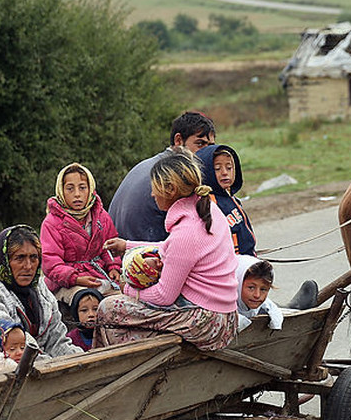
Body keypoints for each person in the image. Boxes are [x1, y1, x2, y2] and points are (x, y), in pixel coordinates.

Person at [97, 150, 238, 351]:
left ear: (170, 190)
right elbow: (173, 249)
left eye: (154, 188)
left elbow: (164, 296)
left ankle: (123, 370)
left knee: (109, 309)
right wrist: (126, 245)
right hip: (223, 314)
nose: (152, 194)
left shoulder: (186, 231)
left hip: (207, 322)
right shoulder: (206, 210)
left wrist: (126, 289)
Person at [0, 225, 83, 358]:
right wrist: (50, 365)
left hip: (39, 364)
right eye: (19, 258)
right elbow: (6, 351)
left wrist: (79, 359)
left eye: (33, 258)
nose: (28, 266)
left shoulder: (39, 288)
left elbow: (57, 341)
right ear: (4, 261)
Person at [108, 111, 216, 242]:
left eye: (210, 146)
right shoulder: (176, 174)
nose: (206, 152)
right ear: (178, 140)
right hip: (140, 253)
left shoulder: (149, 164)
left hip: (120, 248)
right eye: (200, 144)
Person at [39, 162, 121, 307]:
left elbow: (110, 247)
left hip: (97, 275)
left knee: (124, 295)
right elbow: (51, 262)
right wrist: (75, 278)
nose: (77, 194)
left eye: (82, 188)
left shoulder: (102, 217)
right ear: (61, 191)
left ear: (90, 189)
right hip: (66, 283)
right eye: (70, 189)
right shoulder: (52, 223)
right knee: (87, 300)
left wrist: (113, 267)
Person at [197, 144, 255, 255]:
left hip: (247, 259)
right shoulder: (208, 203)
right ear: (205, 172)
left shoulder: (231, 197)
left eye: (229, 168)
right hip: (230, 264)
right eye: (217, 169)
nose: (224, 172)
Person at [234, 256, 283, 331]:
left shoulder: (264, 305)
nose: (257, 295)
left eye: (263, 289)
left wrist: (276, 322)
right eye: (251, 288)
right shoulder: (221, 307)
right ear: (238, 284)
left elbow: (272, 308)